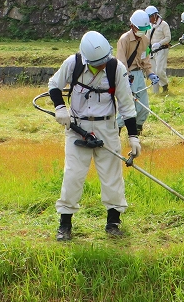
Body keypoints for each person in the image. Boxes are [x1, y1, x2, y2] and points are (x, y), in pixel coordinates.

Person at [48, 31, 141, 241]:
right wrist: (61, 107)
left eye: (103, 62)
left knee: (111, 176)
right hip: (77, 127)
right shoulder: (73, 64)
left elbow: (127, 106)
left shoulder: (116, 68)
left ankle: (113, 222)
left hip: (106, 127)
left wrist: (133, 136)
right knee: (73, 175)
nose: (100, 66)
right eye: (96, 64)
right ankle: (65, 225)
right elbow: (54, 85)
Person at [117, 10, 157, 135]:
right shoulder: (124, 40)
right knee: (128, 106)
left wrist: (150, 73)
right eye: (141, 29)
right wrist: (126, 77)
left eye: (145, 29)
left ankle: (136, 132)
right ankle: (116, 130)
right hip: (127, 75)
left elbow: (145, 59)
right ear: (133, 26)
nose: (143, 32)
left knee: (143, 106)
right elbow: (121, 61)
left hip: (139, 75)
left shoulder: (145, 40)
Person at [146, 5, 171, 95]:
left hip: (162, 49)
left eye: (150, 17)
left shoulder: (164, 25)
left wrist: (159, 43)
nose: (149, 19)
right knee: (153, 72)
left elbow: (168, 38)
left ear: (155, 15)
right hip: (152, 51)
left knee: (160, 71)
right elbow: (147, 37)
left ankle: (165, 85)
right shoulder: (149, 25)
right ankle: (155, 92)